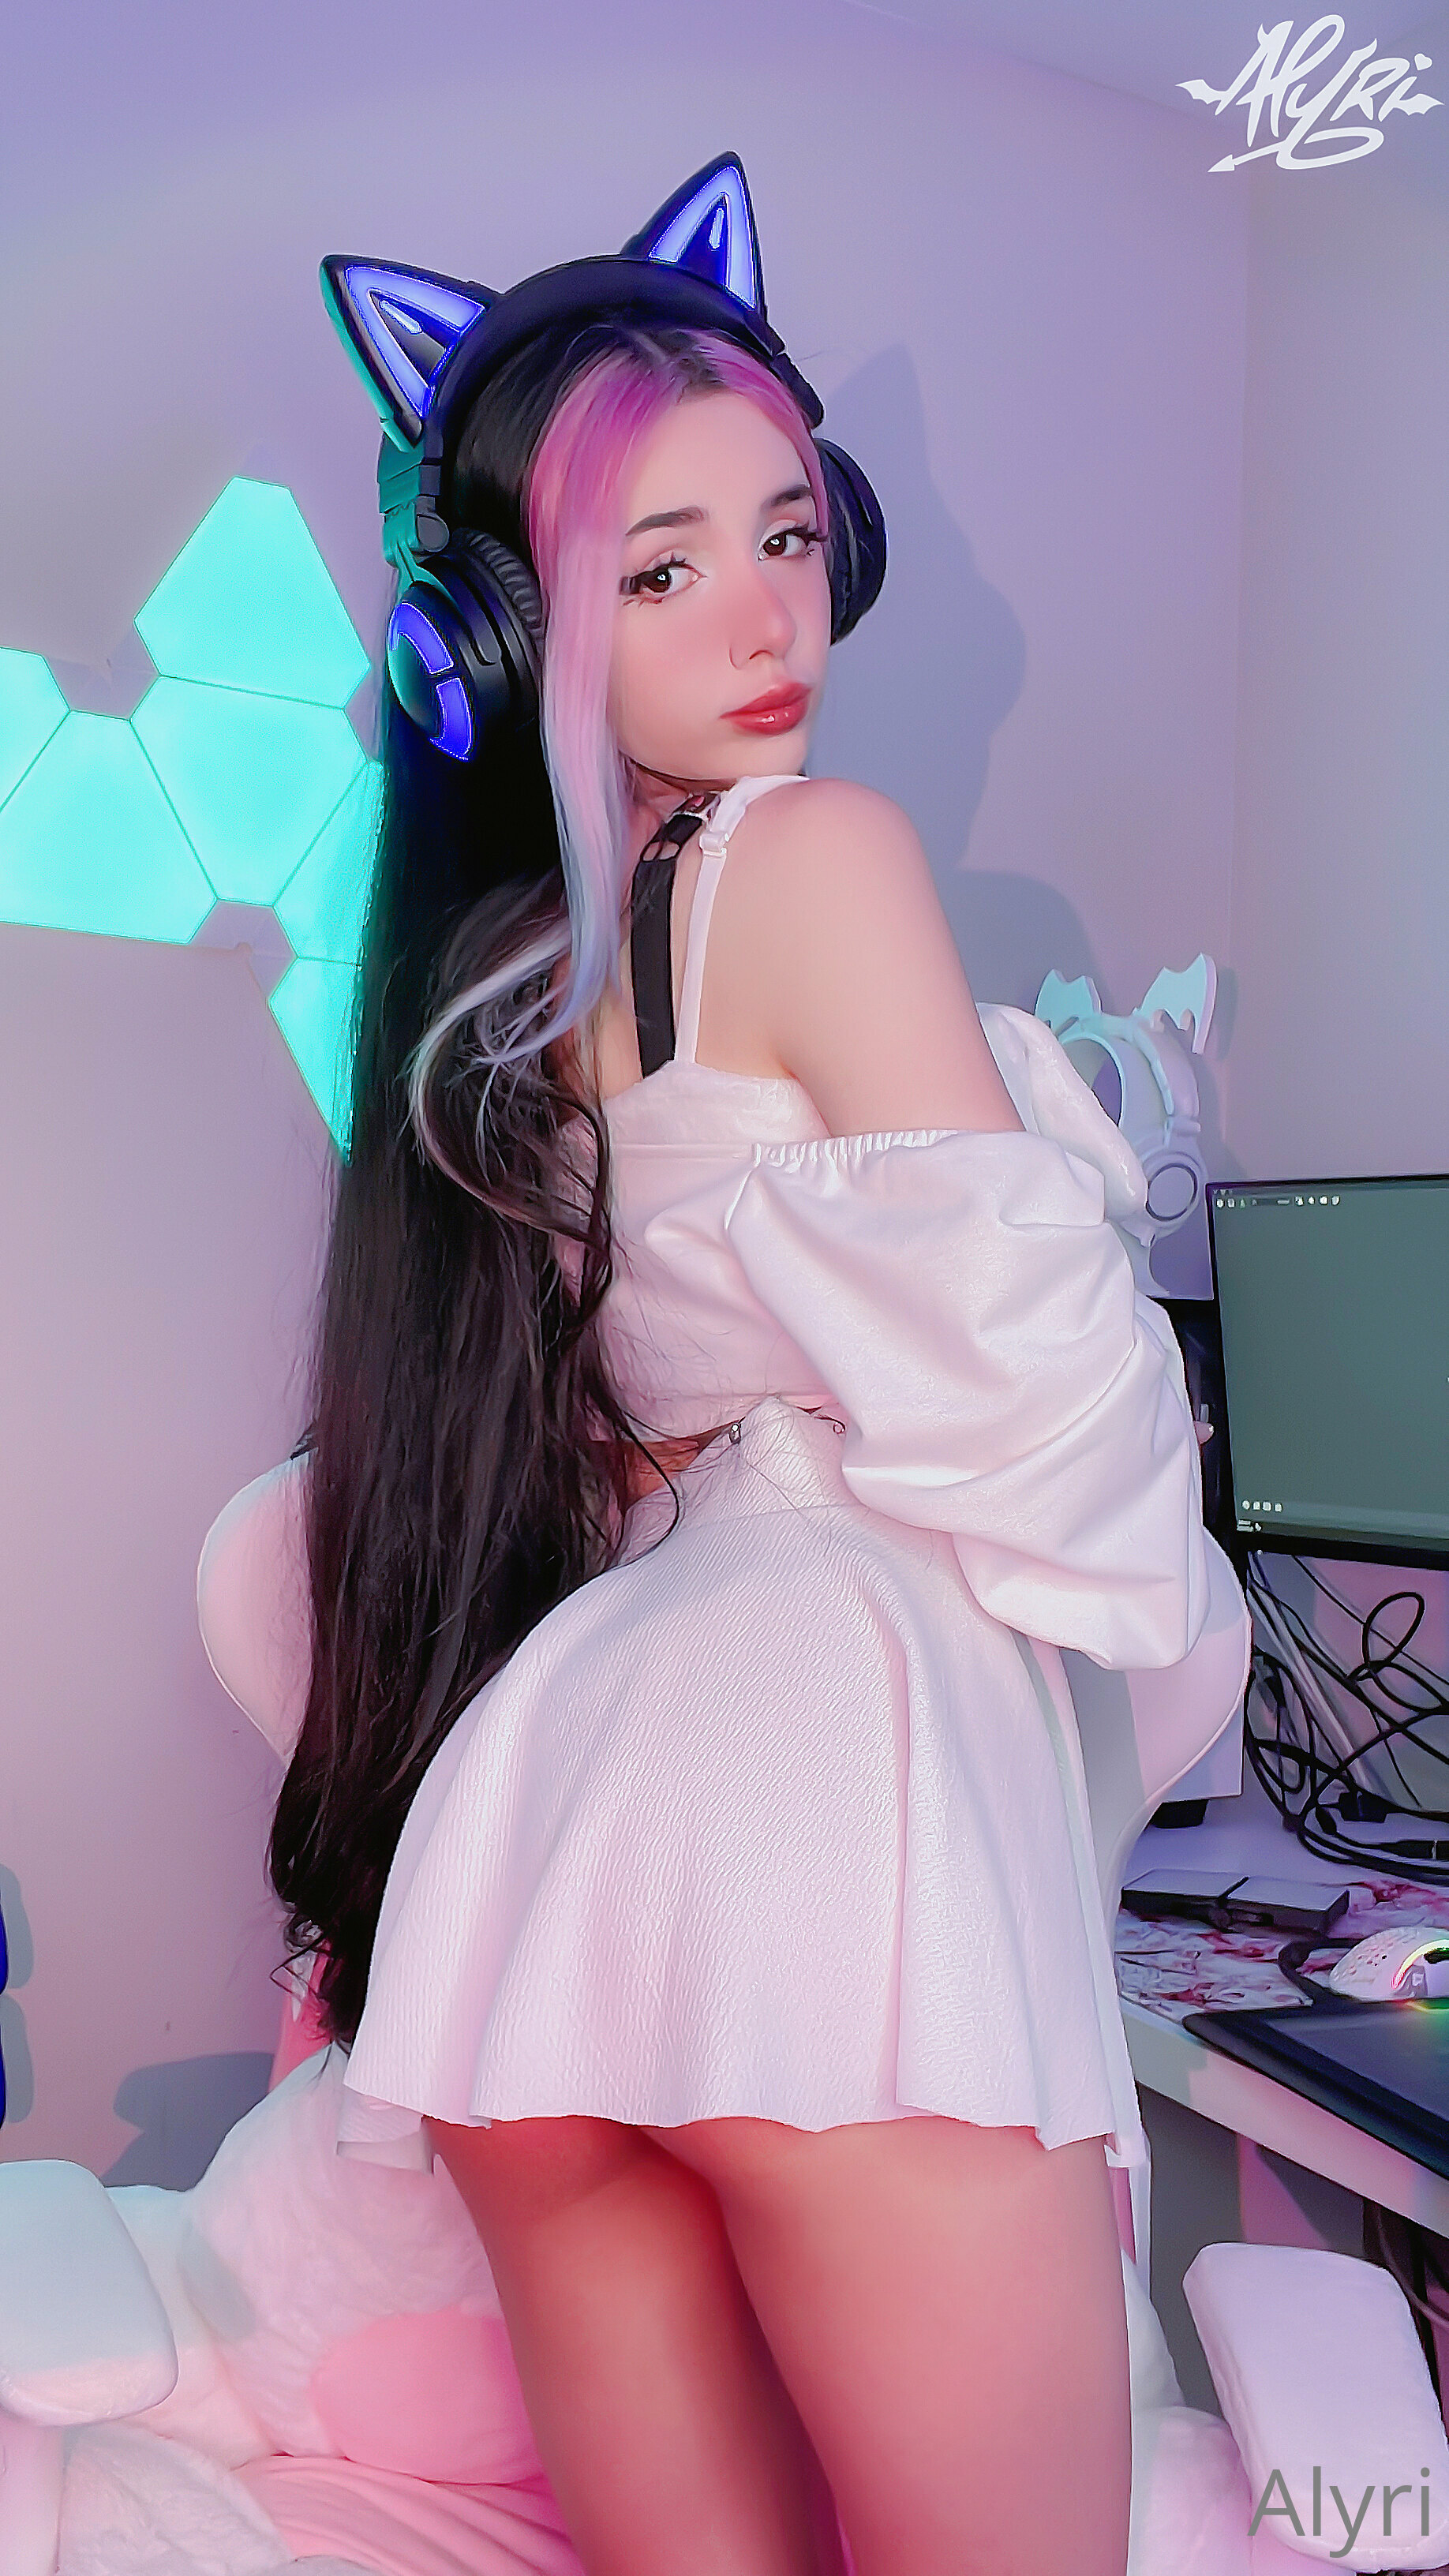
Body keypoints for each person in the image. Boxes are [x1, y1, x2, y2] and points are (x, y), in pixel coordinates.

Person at [270, 158, 1211, 2576]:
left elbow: (602, 1451)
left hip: (551, 1829)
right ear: (512, 630)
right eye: (659, 569)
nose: (768, 615)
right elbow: (1055, 1446)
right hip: (830, 1804)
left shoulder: (491, 992)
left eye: (787, 535)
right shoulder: (812, 855)